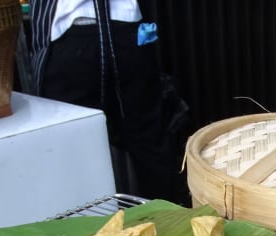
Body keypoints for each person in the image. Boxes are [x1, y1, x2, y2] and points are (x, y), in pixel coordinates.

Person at [26, 0, 190, 204]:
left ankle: (88, 228)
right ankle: (170, 222)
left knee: (72, 151)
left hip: (70, 34)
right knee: (150, 144)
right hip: (127, 29)